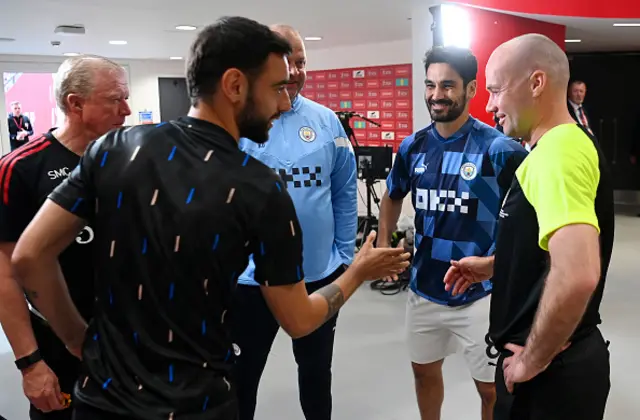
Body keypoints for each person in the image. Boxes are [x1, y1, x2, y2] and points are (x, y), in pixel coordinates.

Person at [9, 16, 410, 420]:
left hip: (102, 400)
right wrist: (358, 271)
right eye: (276, 88)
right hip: (197, 405)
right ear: (235, 86)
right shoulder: (259, 188)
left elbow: (29, 257)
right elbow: (300, 320)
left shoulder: (114, 149)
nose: (285, 103)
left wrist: (80, 341)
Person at [445, 33, 614, 420]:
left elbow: (577, 275)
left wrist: (531, 362)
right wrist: (498, 265)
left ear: (536, 83)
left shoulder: (559, 153)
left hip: (549, 379)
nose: (489, 106)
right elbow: (550, 248)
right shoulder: (551, 150)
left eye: (496, 90)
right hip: (554, 368)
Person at [376, 46, 527, 420]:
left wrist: (499, 262)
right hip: (424, 289)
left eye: (447, 85)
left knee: (490, 390)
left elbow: (530, 217)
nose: (436, 95)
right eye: (430, 85)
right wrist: (382, 245)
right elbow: (392, 198)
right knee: (424, 373)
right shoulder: (413, 147)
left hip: (480, 296)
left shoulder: (500, 150)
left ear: (471, 88)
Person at [232, 24, 357, 420]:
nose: (295, 70)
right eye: (286, 61)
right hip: (251, 280)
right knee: (241, 376)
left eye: (301, 61)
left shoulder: (326, 122)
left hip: (318, 272)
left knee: (317, 372)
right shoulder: (240, 125)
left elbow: (344, 189)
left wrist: (345, 256)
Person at [0, 55, 131, 420]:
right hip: (61, 344)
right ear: (75, 103)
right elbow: (6, 275)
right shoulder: (20, 169)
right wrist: (30, 364)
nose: (127, 109)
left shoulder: (130, 161)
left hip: (130, 342)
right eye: (115, 98)